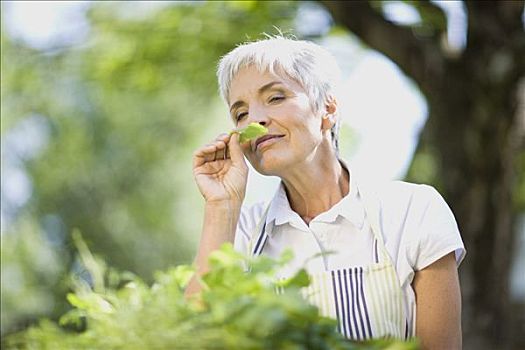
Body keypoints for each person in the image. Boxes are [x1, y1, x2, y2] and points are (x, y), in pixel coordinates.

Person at [186, 35, 466, 350]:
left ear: (327, 109)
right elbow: (196, 336)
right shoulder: (241, 234)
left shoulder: (413, 211)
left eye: (276, 97)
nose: (256, 120)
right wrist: (221, 206)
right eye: (241, 114)